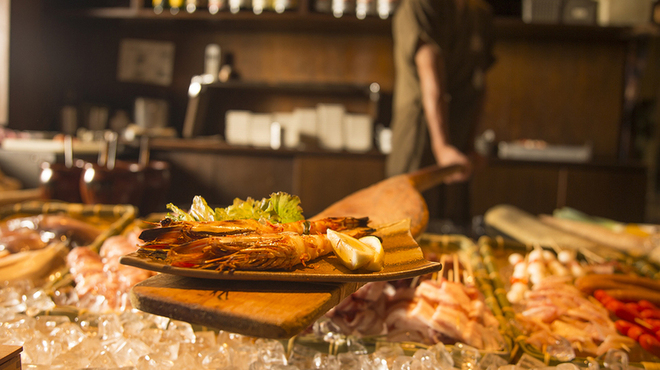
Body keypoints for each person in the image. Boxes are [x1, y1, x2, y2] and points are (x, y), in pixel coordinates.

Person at [386, 0, 496, 224]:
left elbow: (479, 84)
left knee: (454, 229)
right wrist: (441, 146)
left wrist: (470, 145)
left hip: (459, 141)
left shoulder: (480, 13)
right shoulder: (419, 6)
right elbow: (431, 74)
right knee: (406, 223)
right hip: (419, 136)